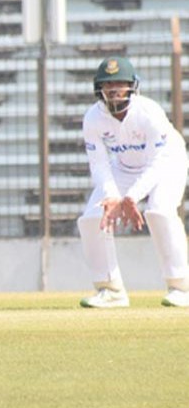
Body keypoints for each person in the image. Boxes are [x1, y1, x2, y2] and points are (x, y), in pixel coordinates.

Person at [77, 56, 189, 308]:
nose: (114, 90)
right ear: (99, 89)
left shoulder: (148, 111)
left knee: (159, 210)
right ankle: (111, 289)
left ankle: (181, 286)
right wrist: (112, 196)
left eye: (121, 83)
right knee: (92, 218)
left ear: (133, 86)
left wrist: (131, 197)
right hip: (124, 167)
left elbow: (158, 162)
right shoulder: (93, 118)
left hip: (168, 161)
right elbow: (99, 164)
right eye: (108, 85)